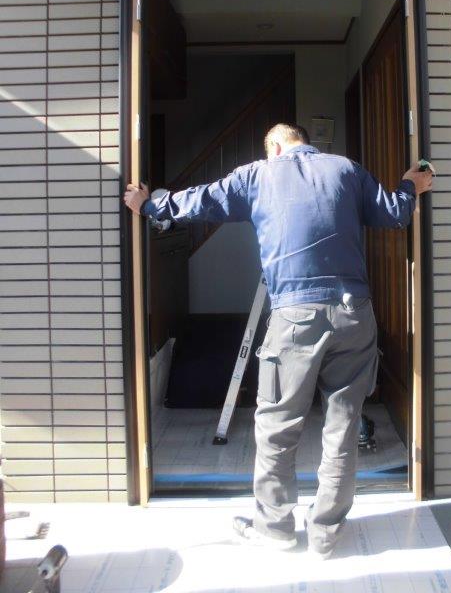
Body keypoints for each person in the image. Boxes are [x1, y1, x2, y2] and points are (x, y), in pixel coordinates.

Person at [124, 123, 433, 558]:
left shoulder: (257, 175)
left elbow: (201, 200)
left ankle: (275, 529)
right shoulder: (346, 169)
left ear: (273, 146)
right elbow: (395, 214)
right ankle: (325, 536)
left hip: (295, 318)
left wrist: (150, 204)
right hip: (354, 314)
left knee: (278, 426)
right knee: (342, 426)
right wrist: (410, 184)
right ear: (305, 142)